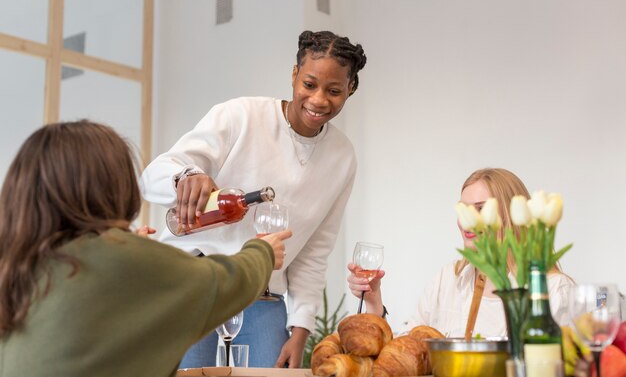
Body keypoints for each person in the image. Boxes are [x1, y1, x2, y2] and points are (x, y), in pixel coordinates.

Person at [140, 30, 367, 368]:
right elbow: (153, 176)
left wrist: (301, 328)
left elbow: (314, 250)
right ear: (294, 75)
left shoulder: (342, 157)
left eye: (334, 90)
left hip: (262, 298)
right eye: (309, 84)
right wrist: (186, 177)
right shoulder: (241, 116)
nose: (319, 100)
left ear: (350, 89)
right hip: (194, 283)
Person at [0, 121, 290, 377]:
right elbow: (221, 284)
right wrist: (262, 252)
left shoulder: (17, 263)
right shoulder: (121, 258)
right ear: (114, 189)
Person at [347, 168, 574, 337]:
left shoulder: (554, 289)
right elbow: (408, 350)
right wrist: (374, 303)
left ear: (512, 214)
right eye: (464, 210)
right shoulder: (449, 279)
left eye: (481, 209)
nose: (467, 222)